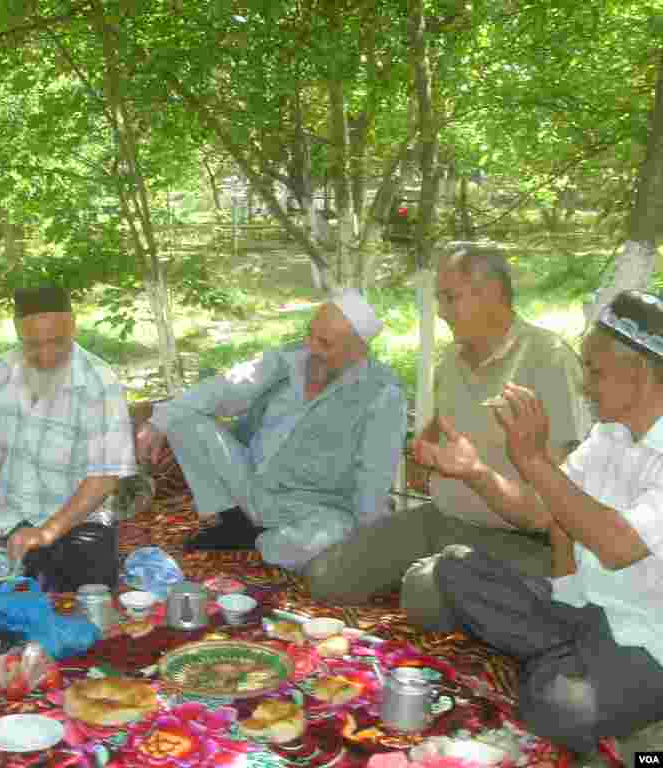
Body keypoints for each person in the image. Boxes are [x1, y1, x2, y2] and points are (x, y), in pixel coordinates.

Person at [411, 290, 663, 755]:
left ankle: (574, 681)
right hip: (579, 605)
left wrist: (531, 458)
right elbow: (537, 512)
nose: (585, 384)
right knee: (448, 571)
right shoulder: (609, 435)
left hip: (647, 639)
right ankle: (560, 659)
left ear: (641, 373)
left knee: (559, 708)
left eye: (595, 370)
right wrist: (476, 472)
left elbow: (618, 546)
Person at [304, 243, 590, 615]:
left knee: (423, 595)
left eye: (449, 298)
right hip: (442, 518)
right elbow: (442, 424)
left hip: (521, 539)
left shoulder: (548, 359)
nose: (440, 312)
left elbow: (550, 508)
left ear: (490, 294)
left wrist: (475, 473)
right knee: (327, 577)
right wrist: (424, 453)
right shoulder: (452, 361)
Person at [136, 288, 407, 571]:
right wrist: (158, 422)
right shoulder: (289, 359)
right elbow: (225, 387)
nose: (311, 347)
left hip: (308, 509)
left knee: (336, 536)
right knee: (182, 417)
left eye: (325, 343)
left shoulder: (382, 395)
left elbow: (373, 478)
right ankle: (234, 522)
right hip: (249, 480)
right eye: (310, 334)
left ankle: (259, 541)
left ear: (358, 350)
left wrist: (369, 543)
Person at [0, 285, 137, 592]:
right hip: (7, 509)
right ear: (17, 334)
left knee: (89, 581)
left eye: (57, 342)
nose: (46, 355)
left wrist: (46, 532)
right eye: (32, 345)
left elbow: (104, 476)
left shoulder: (100, 382)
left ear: (74, 326)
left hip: (74, 517)